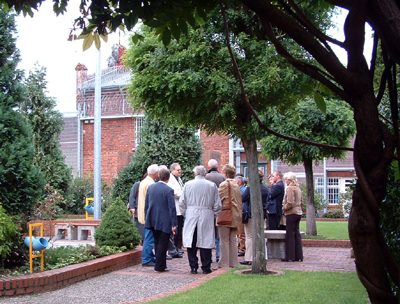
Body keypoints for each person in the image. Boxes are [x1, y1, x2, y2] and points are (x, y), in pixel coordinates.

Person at [179, 165, 222, 274]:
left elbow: (182, 202)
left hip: (191, 214)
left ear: (195, 174)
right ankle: (206, 266)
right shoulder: (211, 186)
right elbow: (217, 204)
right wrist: (213, 214)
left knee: (191, 241)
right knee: (205, 242)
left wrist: (186, 213)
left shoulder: (188, 185)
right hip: (206, 214)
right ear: (205, 174)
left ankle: (193, 266)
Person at [144, 167, 178, 272]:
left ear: (159, 176)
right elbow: (172, 208)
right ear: (168, 178)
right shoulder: (169, 190)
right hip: (164, 221)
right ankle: (160, 266)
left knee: (157, 242)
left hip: (152, 219)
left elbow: (147, 204)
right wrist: (174, 223)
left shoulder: (151, 187)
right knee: (163, 243)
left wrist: (147, 217)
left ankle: (160, 265)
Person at [240, 169, 269, 265]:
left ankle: (249, 258)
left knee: (249, 236)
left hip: (251, 214)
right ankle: (263, 256)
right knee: (260, 234)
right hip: (262, 215)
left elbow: (243, 198)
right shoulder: (266, 188)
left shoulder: (250, 188)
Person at [217, 164, 242, 268]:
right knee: (233, 239)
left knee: (224, 240)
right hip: (236, 215)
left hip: (226, 214)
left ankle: (224, 263)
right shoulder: (237, 185)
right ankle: (234, 263)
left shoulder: (224, 184)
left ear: (226, 173)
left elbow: (218, 198)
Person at [138, 164, 159, 267]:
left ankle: (150, 256)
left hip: (143, 213)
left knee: (148, 236)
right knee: (149, 238)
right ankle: (146, 259)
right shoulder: (150, 184)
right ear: (155, 173)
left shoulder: (144, 182)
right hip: (149, 215)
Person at [205, 159, 225, 262]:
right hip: (219, 207)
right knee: (218, 233)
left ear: (209, 167)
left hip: (208, 207)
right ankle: (218, 255)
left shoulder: (207, 177)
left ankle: (210, 256)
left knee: (209, 232)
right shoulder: (222, 177)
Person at [281, 172, 304, 262]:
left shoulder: (290, 189)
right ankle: (299, 256)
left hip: (291, 213)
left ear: (289, 180)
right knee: (296, 234)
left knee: (290, 234)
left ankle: (290, 256)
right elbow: (301, 201)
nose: (285, 181)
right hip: (298, 212)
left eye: (286, 179)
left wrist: (284, 208)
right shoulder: (298, 188)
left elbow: (290, 202)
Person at [167, 162, 185, 250]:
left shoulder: (179, 179)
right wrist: (184, 195)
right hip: (175, 207)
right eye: (178, 170)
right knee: (175, 230)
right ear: (172, 170)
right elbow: (174, 192)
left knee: (179, 229)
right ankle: (174, 248)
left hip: (180, 209)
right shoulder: (170, 179)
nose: (179, 171)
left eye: (180, 170)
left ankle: (177, 247)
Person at [234, 175, 246, 256]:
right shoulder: (241, 189)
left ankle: (242, 249)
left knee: (241, 232)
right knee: (239, 232)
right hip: (240, 212)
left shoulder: (242, 190)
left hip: (241, 212)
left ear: (239, 182)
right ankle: (240, 248)